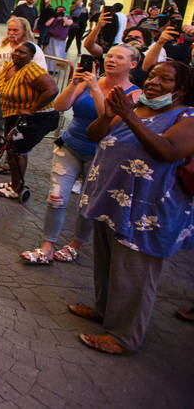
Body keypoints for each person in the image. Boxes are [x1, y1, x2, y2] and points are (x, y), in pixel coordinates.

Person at [69, 61, 194, 354]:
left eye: (164, 80)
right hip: (112, 200)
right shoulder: (136, 107)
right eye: (152, 76)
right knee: (108, 262)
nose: (153, 82)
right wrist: (111, 114)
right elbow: (94, 134)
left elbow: (168, 151)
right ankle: (104, 310)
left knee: (134, 273)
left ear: (181, 90)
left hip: (147, 212)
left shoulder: (186, 117)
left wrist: (128, 115)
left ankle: (124, 337)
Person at [19, 44, 141, 265]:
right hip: (70, 145)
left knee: (87, 203)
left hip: (102, 155)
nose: (111, 60)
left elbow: (109, 122)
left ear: (133, 64)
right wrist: (74, 84)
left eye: (119, 58)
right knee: (56, 197)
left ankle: (75, 245)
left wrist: (95, 89)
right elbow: (59, 105)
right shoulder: (88, 80)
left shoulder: (134, 94)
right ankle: (47, 246)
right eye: (110, 55)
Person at [0, 42, 59, 198]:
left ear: (31, 56)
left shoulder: (32, 70)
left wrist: (31, 109)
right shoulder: (9, 66)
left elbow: (52, 90)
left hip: (37, 118)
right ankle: (14, 183)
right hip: (15, 116)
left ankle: (17, 188)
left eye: (23, 53)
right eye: (16, 51)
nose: (18, 54)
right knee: (12, 150)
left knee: (18, 151)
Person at [0, 17, 46, 133]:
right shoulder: (4, 45)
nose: (11, 33)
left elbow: (42, 78)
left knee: (13, 128)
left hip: (18, 96)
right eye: (9, 29)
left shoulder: (33, 50)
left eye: (15, 30)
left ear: (25, 31)